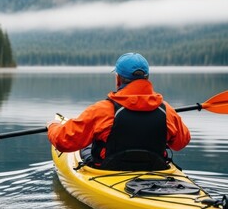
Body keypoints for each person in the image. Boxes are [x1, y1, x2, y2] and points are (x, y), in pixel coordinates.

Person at [47, 52, 190, 169]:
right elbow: (181, 143)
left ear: (118, 79)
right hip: (155, 168)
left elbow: (63, 141)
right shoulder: (167, 111)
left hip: (108, 171)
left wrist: (53, 126)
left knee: (86, 145)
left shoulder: (102, 110)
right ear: (147, 78)